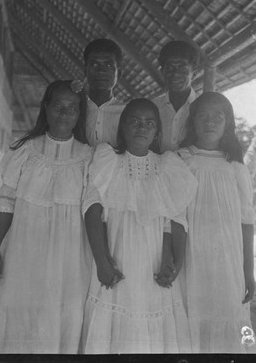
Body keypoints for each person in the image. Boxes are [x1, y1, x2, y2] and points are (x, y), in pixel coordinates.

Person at [80, 99, 198, 354]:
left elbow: (174, 219)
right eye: (134, 121)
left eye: (149, 123)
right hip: (115, 254)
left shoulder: (168, 165)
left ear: (157, 131)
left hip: (153, 258)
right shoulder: (107, 159)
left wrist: (173, 262)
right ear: (122, 127)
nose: (142, 127)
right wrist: (102, 261)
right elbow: (91, 209)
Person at [0, 80, 93, 354]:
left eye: (72, 108)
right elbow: (5, 201)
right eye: (58, 106)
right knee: (21, 309)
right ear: (46, 109)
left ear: (79, 114)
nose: (64, 113)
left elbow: (94, 212)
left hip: (70, 253)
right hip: (26, 247)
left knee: (66, 314)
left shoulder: (88, 157)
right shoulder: (25, 150)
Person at [177, 92, 256, 353]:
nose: (210, 122)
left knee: (232, 315)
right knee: (192, 311)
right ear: (192, 122)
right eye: (203, 115)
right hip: (190, 256)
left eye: (218, 117)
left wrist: (249, 271)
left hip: (228, 260)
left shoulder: (235, 166)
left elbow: (247, 221)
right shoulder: (181, 159)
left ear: (227, 124)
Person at [72, 38, 125, 147]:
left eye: (109, 65)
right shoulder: (74, 110)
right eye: (94, 65)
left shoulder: (127, 113)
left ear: (118, 73)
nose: (101, 70)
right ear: (85, 70)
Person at [153, 40, 200, 152]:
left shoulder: (203, 107)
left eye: (182, 68)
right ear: (162, 72)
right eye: (169, 68)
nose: (175, 74)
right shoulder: (153, 107)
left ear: (194, 73)